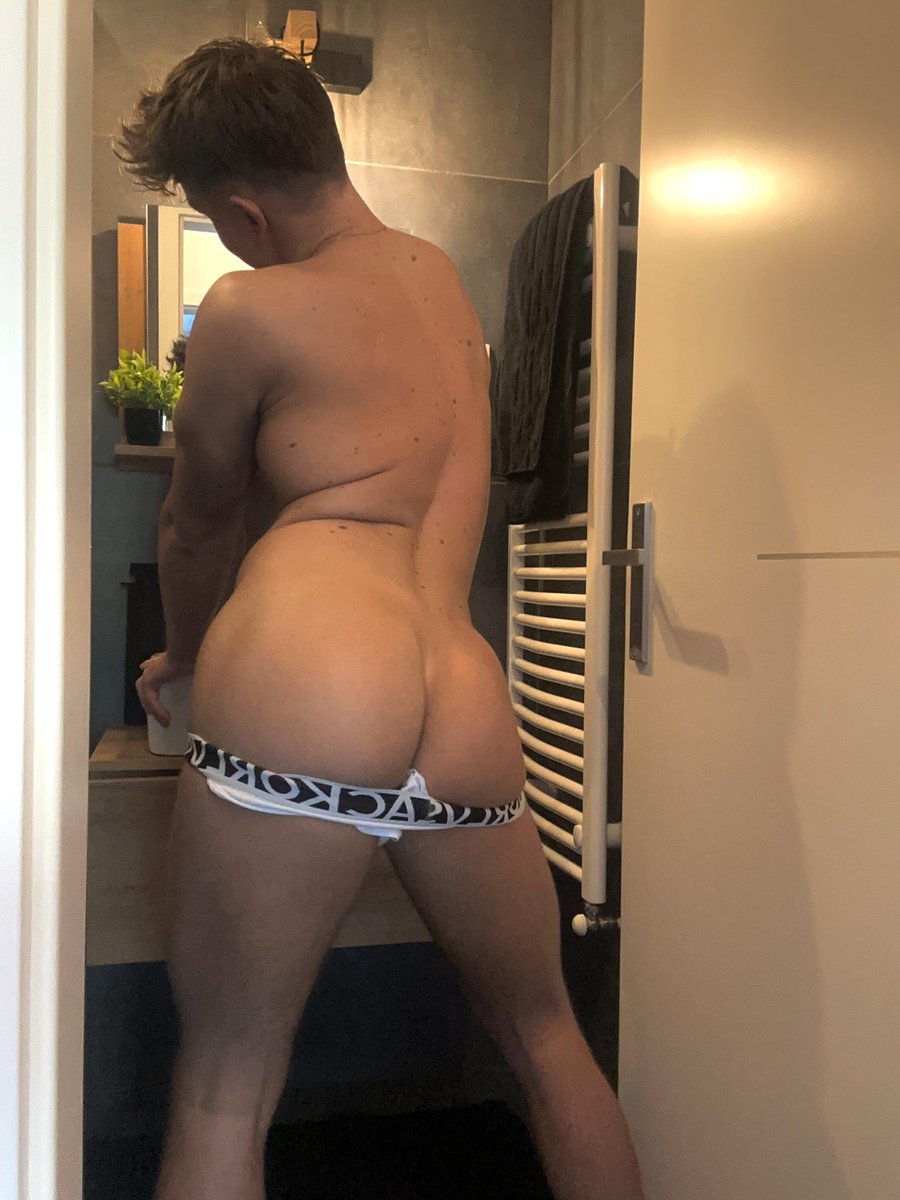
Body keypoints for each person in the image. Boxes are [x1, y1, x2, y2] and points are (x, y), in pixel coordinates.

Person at [120, 38, 645, 1200]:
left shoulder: (247, 306)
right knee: (548, 1044)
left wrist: (188, 656)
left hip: (309, 681)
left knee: (223, 1085)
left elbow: (195, 527)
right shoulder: (440, 279)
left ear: (242, 211)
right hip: (462, 694)